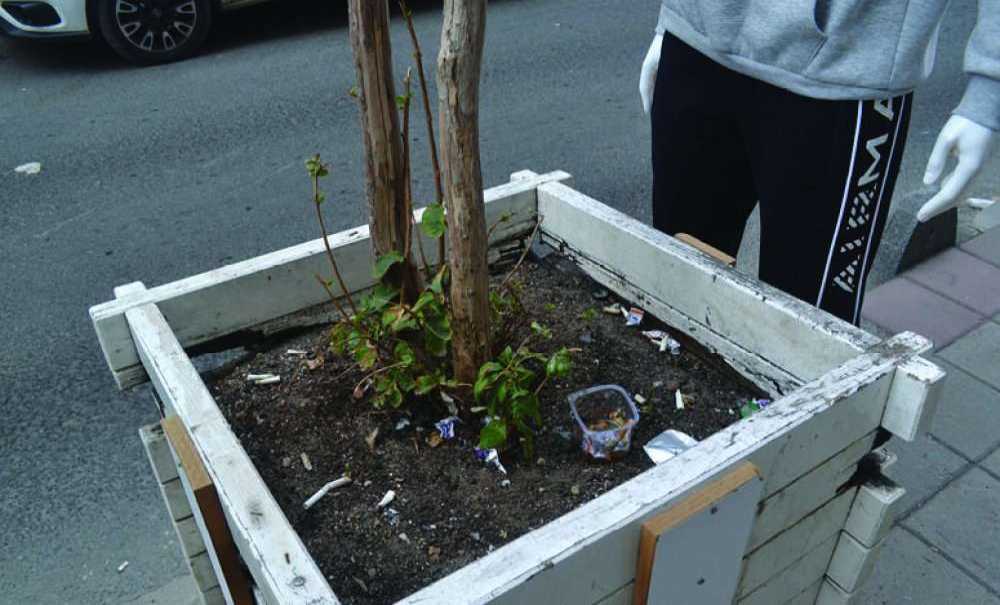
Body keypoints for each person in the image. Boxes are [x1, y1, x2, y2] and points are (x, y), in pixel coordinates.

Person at [639, 1, 997, 325]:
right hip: (693, 41)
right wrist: (671, 19)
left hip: (845, 69)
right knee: (674, 292)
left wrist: (988, 90)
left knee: (808, 329)